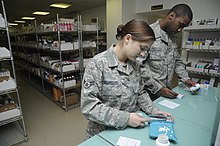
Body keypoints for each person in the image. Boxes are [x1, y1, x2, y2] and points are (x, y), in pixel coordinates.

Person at [80, 19, 173, 139]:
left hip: (128, 130)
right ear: (128, 38)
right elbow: (89, 106)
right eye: (142, 48)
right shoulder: (98, 64)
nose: (144, 54)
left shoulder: (135, 64)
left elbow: (140, 92)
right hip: (102, 133)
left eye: (146, 50)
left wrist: (153, 110)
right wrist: (126, 118)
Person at [141, 4, 196, 100]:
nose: (180, 30)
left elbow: (177, 61)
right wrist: (159, 88)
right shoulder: (148, 33)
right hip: (147, 92)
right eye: (181, 25)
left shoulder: (172, 37)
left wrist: (186, 78)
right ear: (172, 16)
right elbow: (138, 67)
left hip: (165, 90)